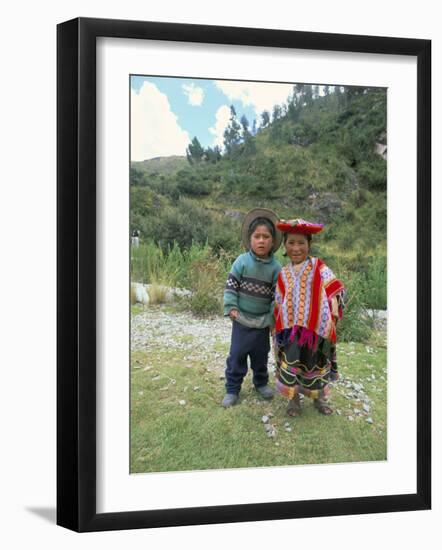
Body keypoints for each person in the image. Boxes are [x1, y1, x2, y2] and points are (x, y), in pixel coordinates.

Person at [273, 218, 345, 416]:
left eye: (301, 243)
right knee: (293, 364)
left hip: (317, 330)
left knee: (317, 364)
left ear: (309, 245)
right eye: (291, 243)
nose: (296, 248)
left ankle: (319, 399)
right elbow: (279, 301)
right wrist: (276, 327)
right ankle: (293, 401)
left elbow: (334, 288)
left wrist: (335, 305)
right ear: (285, 246)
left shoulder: (318, 267)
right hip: (291, 331)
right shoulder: (283, 273)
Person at [222, 208, 282, 408]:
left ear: (273, 241)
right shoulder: (241, 261)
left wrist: (273, 320)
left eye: (266, 237)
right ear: (250, 239)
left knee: (260, 355)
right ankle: (232, 388)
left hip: (262, 323)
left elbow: (277, 297)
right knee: (237, 353)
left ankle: (261, 382)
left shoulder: (276, 268)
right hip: (241, 319)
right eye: (257, 236)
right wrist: (231, 307)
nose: (262, 241)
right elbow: (231, 285)